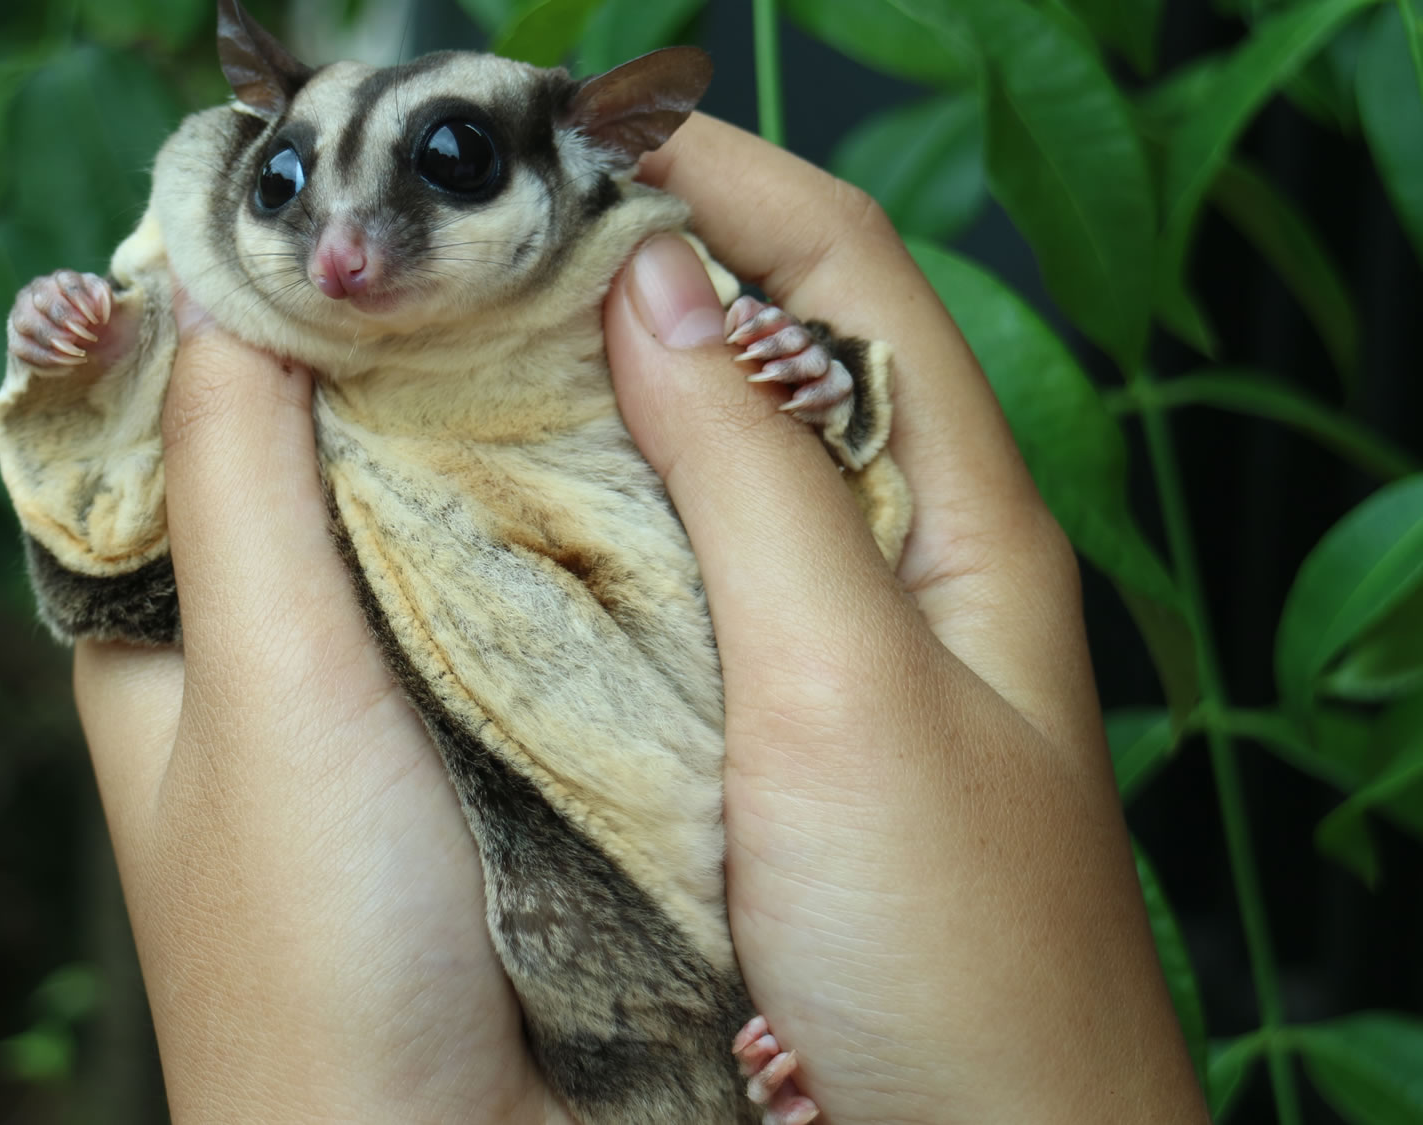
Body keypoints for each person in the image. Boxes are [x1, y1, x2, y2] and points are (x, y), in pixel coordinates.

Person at [68, 113, 1211, 1122]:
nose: (341, 252)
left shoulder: (612, 280)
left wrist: (808, 373)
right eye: (285, 188)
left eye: (446, 163)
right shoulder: (274, 334)